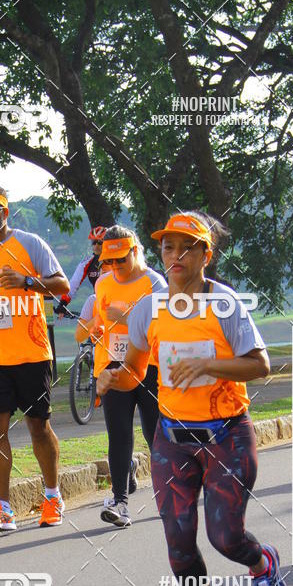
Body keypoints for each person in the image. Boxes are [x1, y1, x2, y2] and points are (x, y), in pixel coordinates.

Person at [96, 211, 287, 586]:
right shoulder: (150, 308)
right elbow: (134, 371)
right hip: (172, 440)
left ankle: (261, 564)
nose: (175, 255)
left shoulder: (224, 304)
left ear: (206, 254)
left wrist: (208, 364)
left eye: (186, 247)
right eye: (167, 246)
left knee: (226, 538)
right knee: (179, 540)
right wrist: (111, 377)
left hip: (226, 436)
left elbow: (259, 365)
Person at [0, 184, 70, 531]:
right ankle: (2, 507)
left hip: (31, 353)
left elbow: (62, 285)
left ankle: (52, 496)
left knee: (38, 426)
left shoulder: (30, 243)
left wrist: (27, 281)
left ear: (5, 213)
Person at [76, 225, 167, 526]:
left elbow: (166, 329)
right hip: (112, 366)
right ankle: (120, 503)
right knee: (118, 434)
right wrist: (98, 326)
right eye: (108, 262)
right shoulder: (103, 283)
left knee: (155, 433)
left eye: (120, 260)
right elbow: (99, 318)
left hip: (149, 366)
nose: (114, 268)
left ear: (136, 251)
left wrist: (127, 318)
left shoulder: (156, 284)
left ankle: (170, 494)